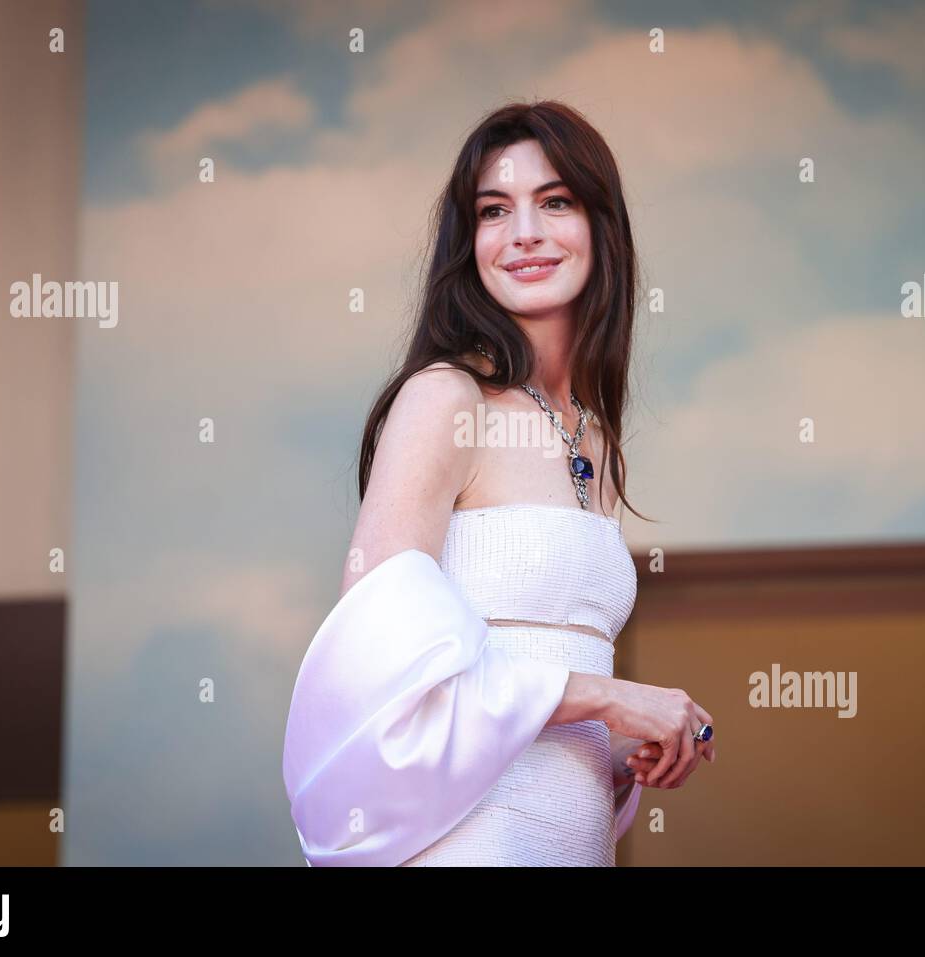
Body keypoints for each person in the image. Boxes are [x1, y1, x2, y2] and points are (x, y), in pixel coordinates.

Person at [283, 100, 715, 866]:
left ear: (601, 228)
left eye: (555, 201)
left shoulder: (598, 440)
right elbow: (375, 673)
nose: (524, 233)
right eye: (493, 210)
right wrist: (614, 696)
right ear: (469, 242)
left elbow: (536, 714)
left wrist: (622, 751)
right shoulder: (445, 399)